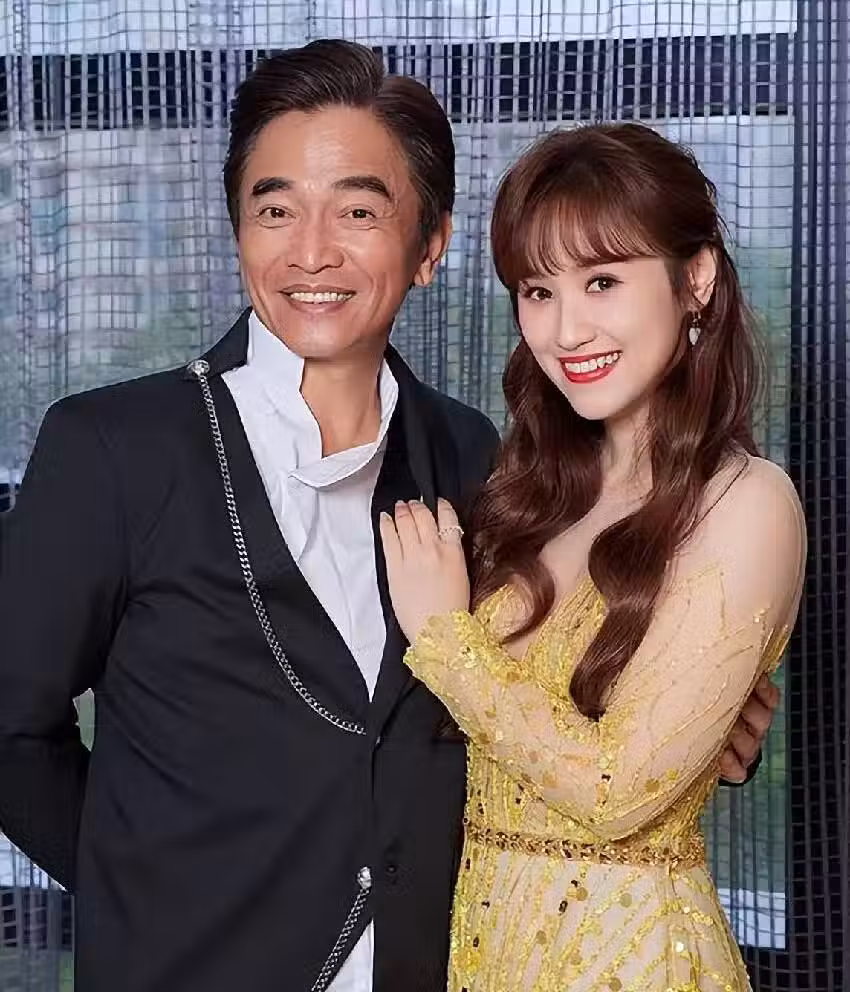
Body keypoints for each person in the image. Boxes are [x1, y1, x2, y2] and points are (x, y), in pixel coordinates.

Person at [0, 43, 773, 992]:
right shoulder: (116, 447)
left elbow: (531, 683)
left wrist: (700, 720)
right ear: (238, 230)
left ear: (430, 246)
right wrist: (147, 889)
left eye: (358, 212)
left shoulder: (473, 456)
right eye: (275, 210)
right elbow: (9, 729)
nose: (311, 251)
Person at [380, 123, 805, 991]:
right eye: (537, 291)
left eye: (603, 281)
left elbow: (617, 790)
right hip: (483, 954)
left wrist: (445, 639)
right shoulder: (528, 494)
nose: (567, 329)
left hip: (635, 962)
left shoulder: (746, 500)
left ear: (696, 280)